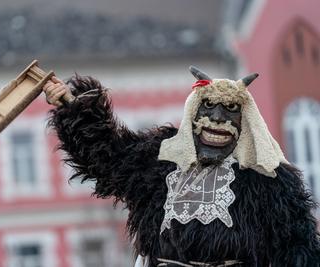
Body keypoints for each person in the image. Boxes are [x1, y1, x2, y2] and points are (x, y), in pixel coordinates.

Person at [43, 66, 320, 267]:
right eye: (209, 108)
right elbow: (106, 157)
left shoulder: (268, 180)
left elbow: (299, 249)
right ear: (193, 115)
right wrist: (76, 107)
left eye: (229, 112)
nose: (218, 119)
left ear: (243, 124)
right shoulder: (158, 160)